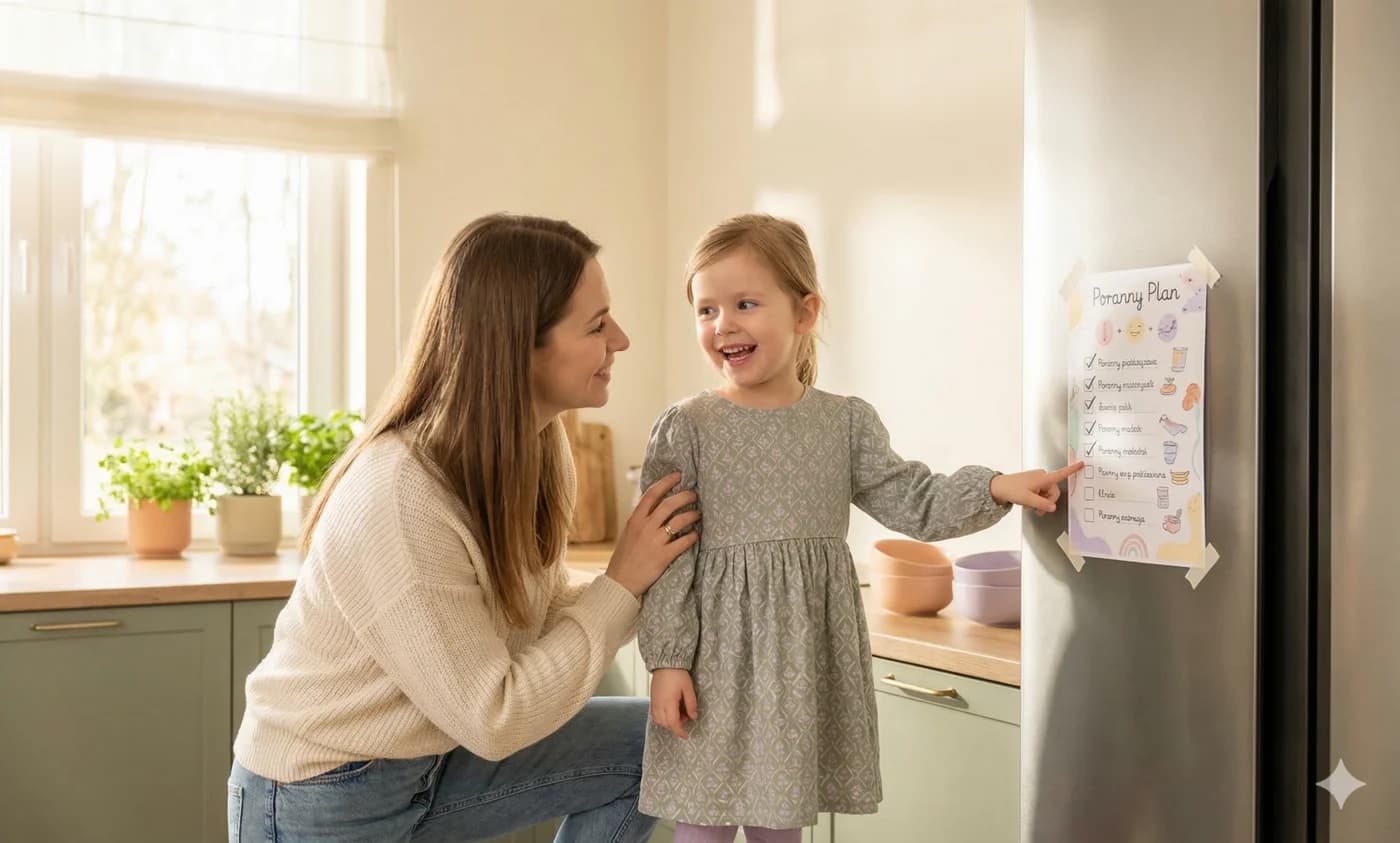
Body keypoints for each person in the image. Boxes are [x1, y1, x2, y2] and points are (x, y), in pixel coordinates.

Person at [228, 213, 700, 842]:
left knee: (657, 745)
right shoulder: (401, 497)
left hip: (433, 758)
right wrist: (622, 582)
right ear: (517, 346)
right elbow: (495, 716)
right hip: (324, 792)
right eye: (595, 325)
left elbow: (535, 607)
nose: (621, 339)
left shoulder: (532, 448)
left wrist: (652, 577)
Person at [637, 214, 1081, 842]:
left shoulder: (843, 424)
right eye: (705, 309)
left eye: (744, 304)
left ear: (805, 312)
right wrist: (667, 660)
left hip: (800, 664)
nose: (723, 325)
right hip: (714, 665)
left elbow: (912, 497)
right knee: (702, 827)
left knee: (780, 824)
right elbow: (667, 554)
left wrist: (994, 487)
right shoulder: (688, 427)